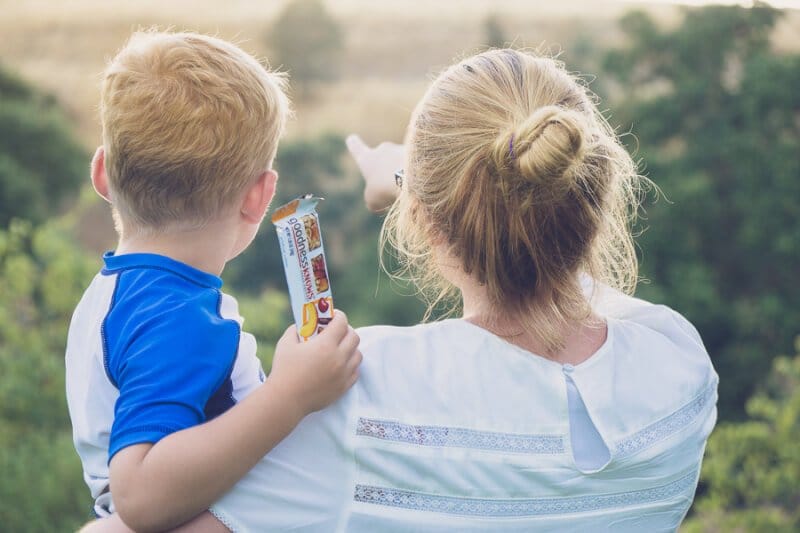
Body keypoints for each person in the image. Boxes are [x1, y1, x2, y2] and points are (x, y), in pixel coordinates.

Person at [66, 31, 362, 533]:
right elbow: (138, 496)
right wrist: (289, 396)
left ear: (102, 175)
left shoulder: (119, 293)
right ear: (259, 197)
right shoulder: (179, 319)